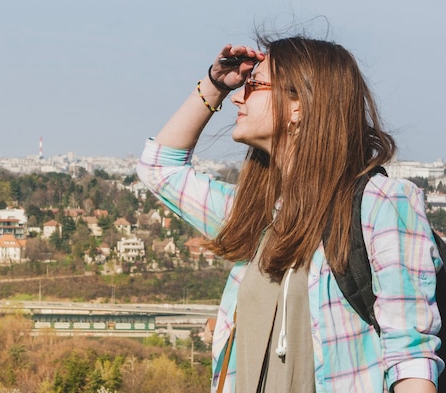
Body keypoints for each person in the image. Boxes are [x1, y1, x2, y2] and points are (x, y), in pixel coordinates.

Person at [136, 35, 444, 393]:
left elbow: (410, 360)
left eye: (254, 86)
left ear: (299, 105)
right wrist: (216, 84)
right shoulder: (256, 215)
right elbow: (159, 168)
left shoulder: (382, 204)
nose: (240, 96)